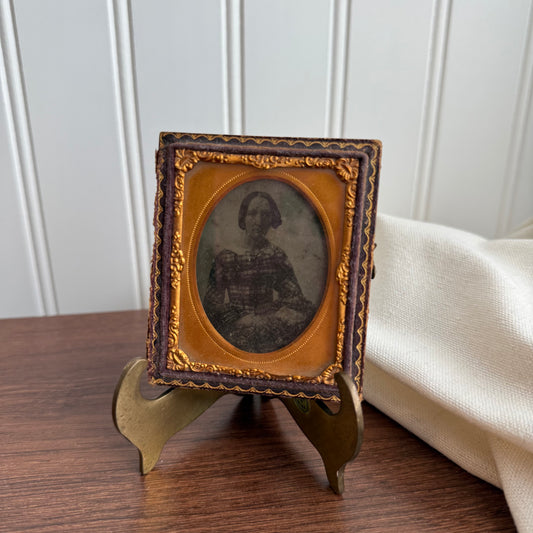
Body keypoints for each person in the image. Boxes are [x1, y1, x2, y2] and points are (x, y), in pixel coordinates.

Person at [202, 191, 315, 353]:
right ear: (243, 218)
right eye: (253, 214)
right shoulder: (226, 257)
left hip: (268, 329)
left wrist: (270, 311)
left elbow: (294, 297)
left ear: (271, 219)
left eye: (266, 215)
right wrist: (239, 316)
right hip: (236, 331)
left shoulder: (275, 256)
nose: (259, 221)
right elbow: (212, 305)